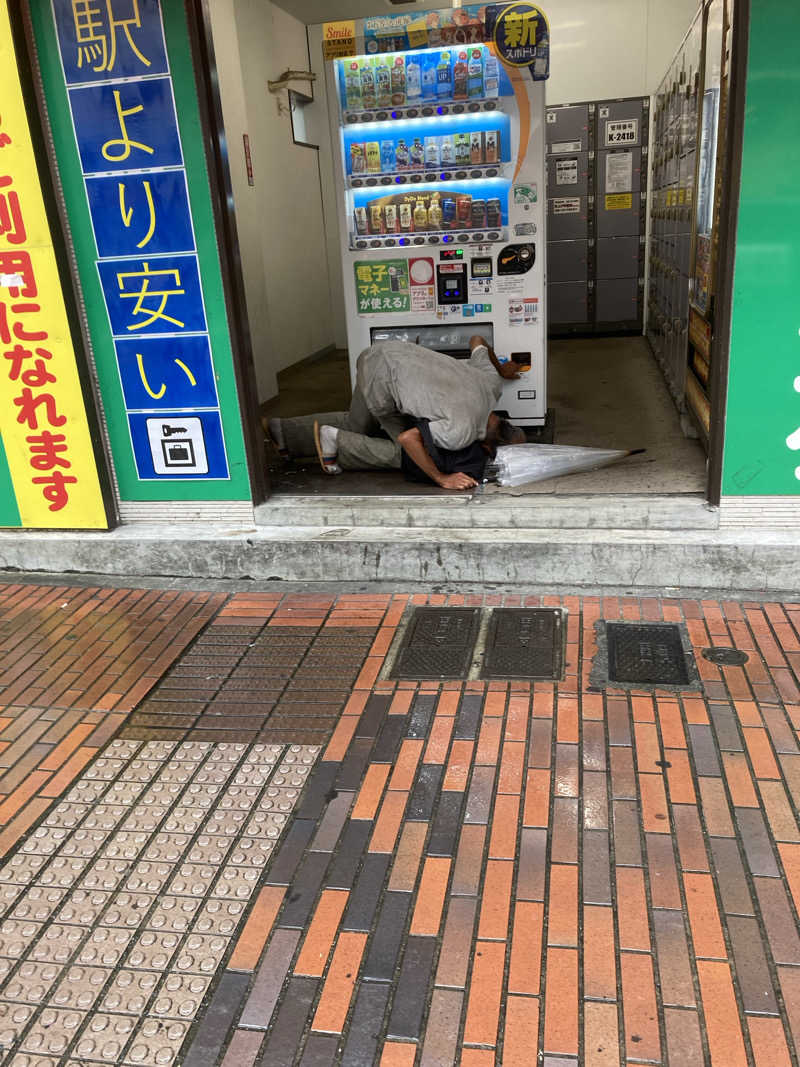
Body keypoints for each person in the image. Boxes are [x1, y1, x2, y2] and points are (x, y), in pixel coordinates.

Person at [268, 335, 525, 490]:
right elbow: (408, 439)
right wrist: (441, 478)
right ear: (489, 449)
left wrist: (501, 370)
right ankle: (335, 439)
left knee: (356, 423)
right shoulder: (462, 431)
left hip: (379, 353)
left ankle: (282, 431)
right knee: (404, 454)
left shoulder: (491, 385)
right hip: (384, 383)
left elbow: (477, 341)